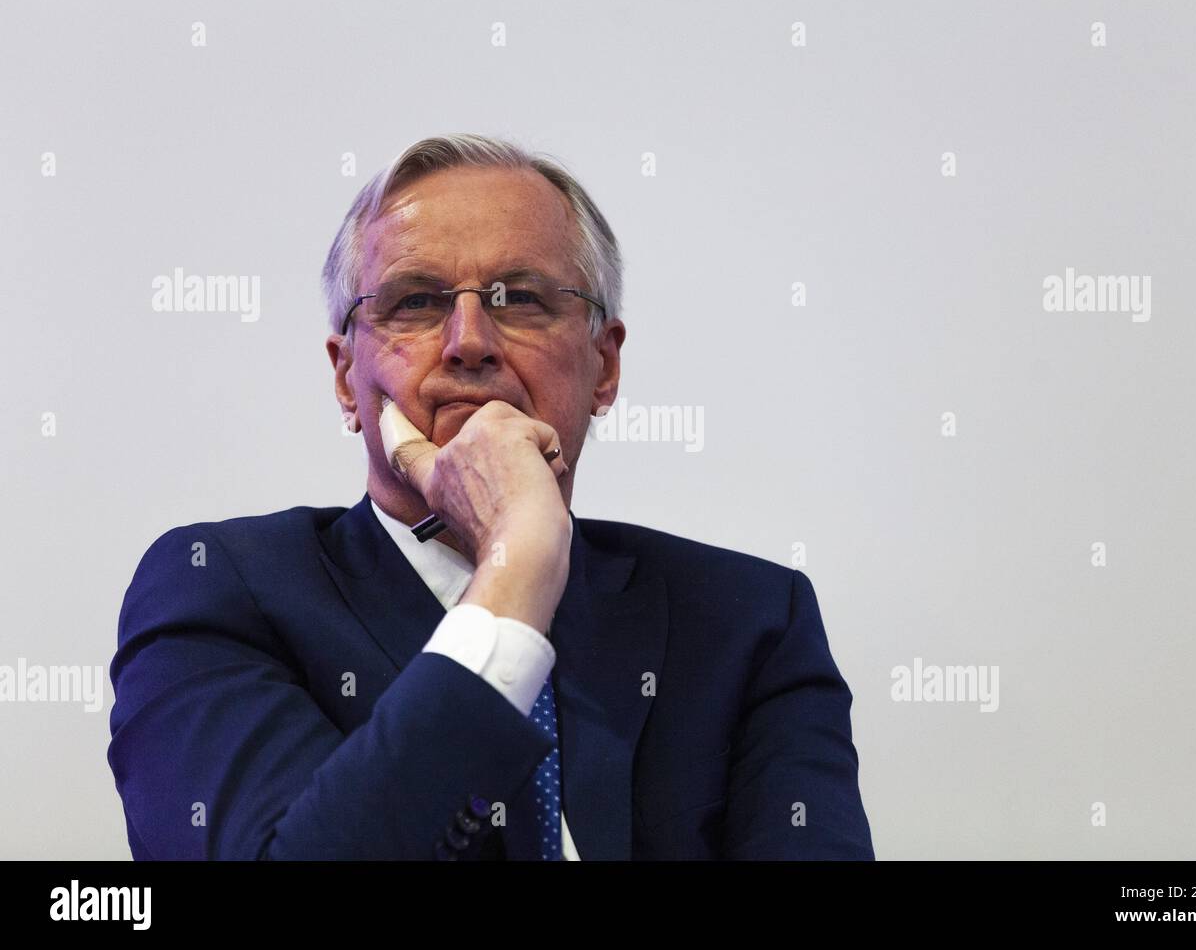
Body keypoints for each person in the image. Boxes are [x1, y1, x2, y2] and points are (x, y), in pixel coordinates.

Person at [107, 133, 875, 860]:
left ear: (604, 368)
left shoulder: (750, 620)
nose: (469, 339)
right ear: (348, 378)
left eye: (520, 298)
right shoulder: (218, 587)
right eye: (415, 301)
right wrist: (518, 564)